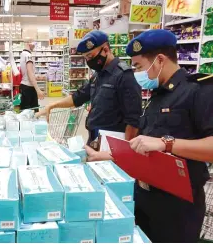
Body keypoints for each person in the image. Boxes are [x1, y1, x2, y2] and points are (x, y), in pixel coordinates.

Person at [89, 29, 212, 242]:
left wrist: (166, 144)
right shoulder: (157, 96)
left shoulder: (198, 91)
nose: (137, 73)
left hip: (177, 207)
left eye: (138, 66)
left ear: (160, 60)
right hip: (145, 197)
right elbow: (143, 147)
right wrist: (109, 156)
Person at [37, 30, 142, 149]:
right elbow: (78, 97)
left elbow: (133, 120)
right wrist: (52, 106)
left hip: (112, 143)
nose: (89, 61)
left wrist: (125, 151)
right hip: (94, 138)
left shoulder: (124, 76)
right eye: (86, 57)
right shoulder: (97, 75)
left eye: (91, 56)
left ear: (106, 50)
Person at [19, 40, 45, 111]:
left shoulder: (23, 54)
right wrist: (38, 90)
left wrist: (35, 76)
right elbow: (30, 73)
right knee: (32, 114)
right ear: (29, 43)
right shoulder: (28, 55)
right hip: (28, 88)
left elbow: (27, 73)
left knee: (25, 114)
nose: (34, 46)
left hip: (24, 87)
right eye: (34, 44)